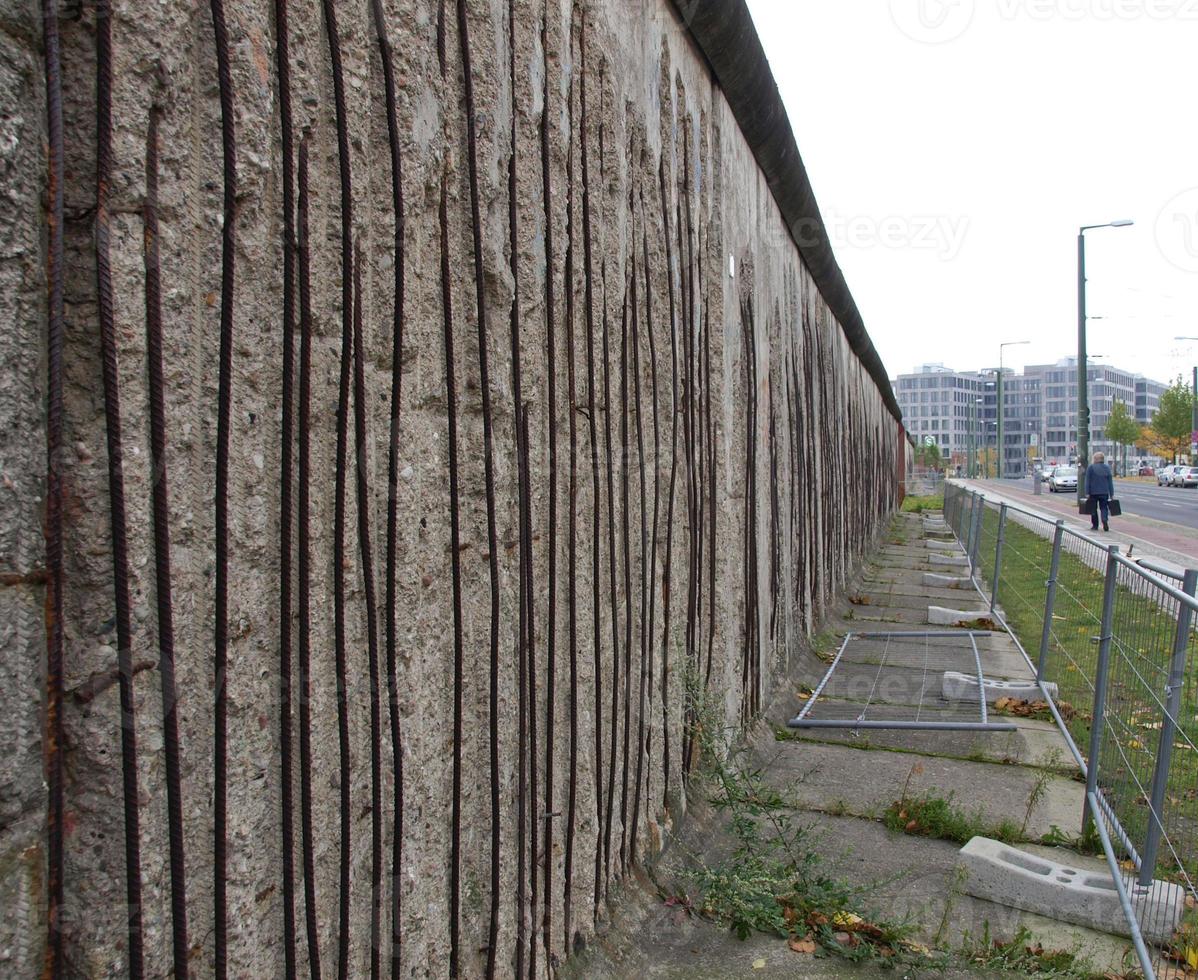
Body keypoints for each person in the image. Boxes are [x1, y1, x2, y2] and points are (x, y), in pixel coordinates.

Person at [1084, 451, 1115, 532]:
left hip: (1093, 492)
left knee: (1093, 509)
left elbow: (1087, 481)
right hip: (1104, 492)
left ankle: (1095, 525)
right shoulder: (1107, 468)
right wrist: (1112, 494)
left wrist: (1087, 492)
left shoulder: (1091, 468)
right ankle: (1104, 519)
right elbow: (1110, 482)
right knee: (1104, 508)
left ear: (1096, 459)